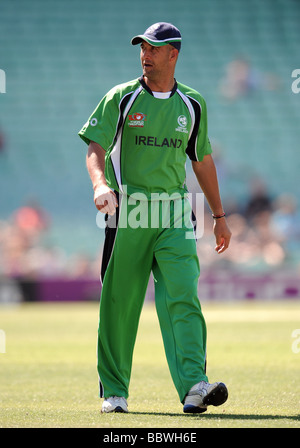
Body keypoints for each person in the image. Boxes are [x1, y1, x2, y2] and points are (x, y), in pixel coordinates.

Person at [78, 22, 232, 414]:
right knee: (120, 301)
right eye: (142, 48)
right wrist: (99, 185)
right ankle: (114, 391)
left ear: (173, 55)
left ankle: (195, 385)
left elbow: (202, 159)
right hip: (128, 210)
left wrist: (219, 215)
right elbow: (96, 146)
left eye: (154, 48)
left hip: (175, 213)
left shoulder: (192, 103)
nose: (145, 54)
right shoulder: (122, 98)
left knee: (183, 294)